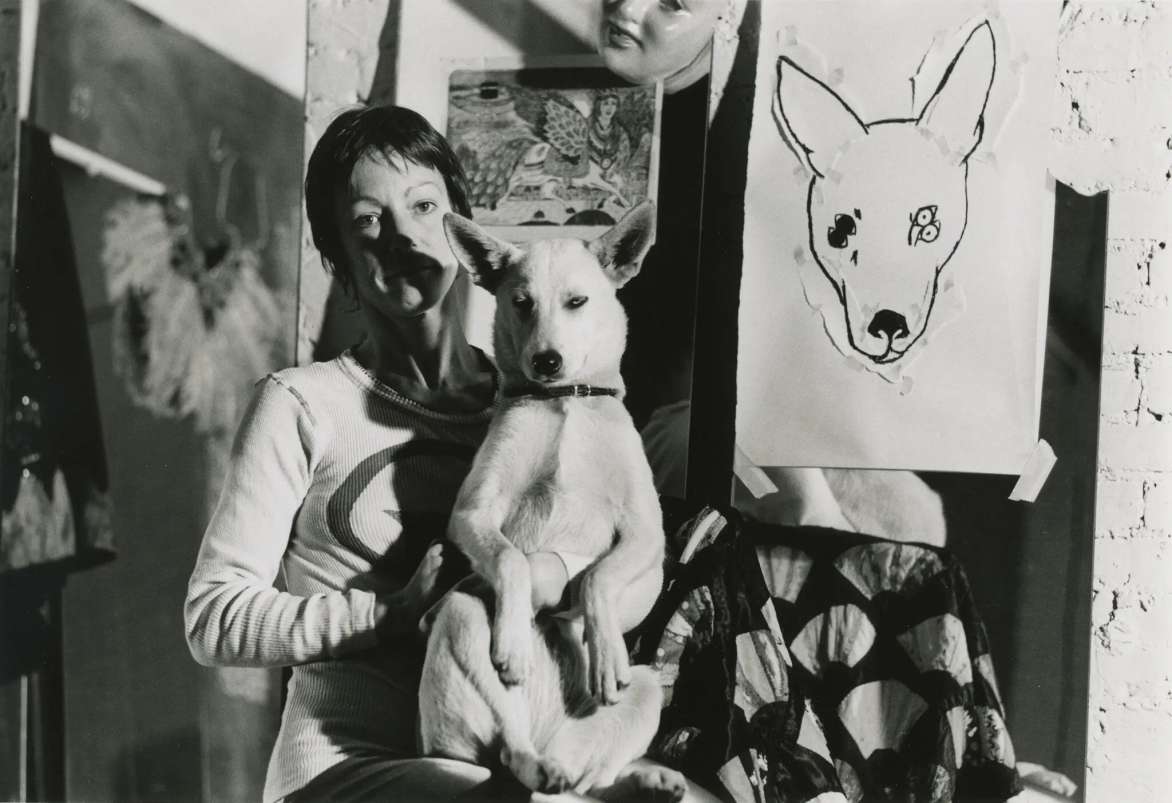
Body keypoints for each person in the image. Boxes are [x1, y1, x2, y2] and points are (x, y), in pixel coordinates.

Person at [184, 105, 718, 803]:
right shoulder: (301, 404)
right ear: (337, 260)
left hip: (513, 746)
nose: (403, 236)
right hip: (348, 763)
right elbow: (213, 618)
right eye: (369, 221)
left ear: (463, 231)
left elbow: (629, 572)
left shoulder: (531, 405)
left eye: (423, 206)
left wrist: (560, 573)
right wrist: (386, 614)